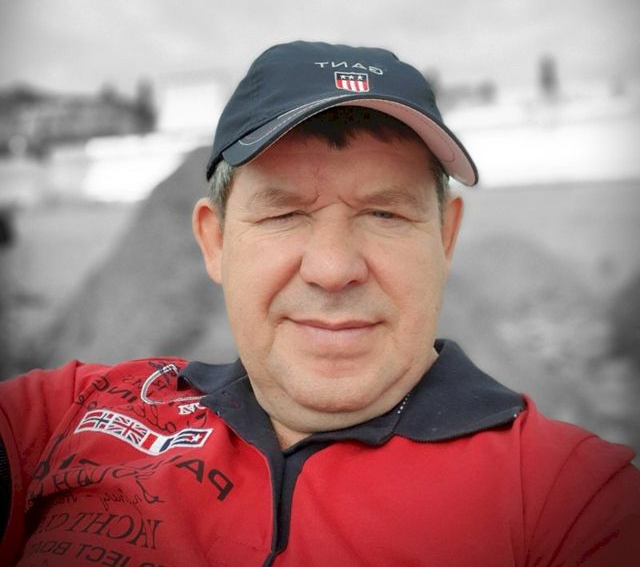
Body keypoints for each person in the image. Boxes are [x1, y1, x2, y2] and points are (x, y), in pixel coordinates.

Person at [0, 41, 638, 566]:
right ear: (215, 243)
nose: (333, 270)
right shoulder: (67, 415)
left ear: (445, 239)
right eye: (283, 214)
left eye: (385, 214)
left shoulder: (564, 497)